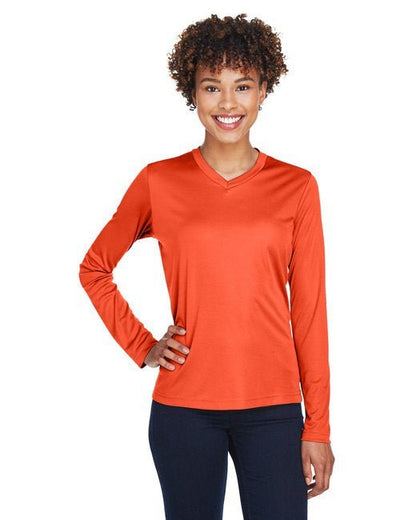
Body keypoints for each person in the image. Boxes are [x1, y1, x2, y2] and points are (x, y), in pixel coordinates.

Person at [79, 12, 335, 520]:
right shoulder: (159, 181)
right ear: (192, 93)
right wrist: (143, 345)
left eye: (243, 86)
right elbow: (94, 268)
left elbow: (309, 314)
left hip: (274, 412)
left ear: (263, 91)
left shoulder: (298, 187)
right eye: (212, 87)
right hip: (184, 411)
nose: (228, 103)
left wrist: (319, 426)